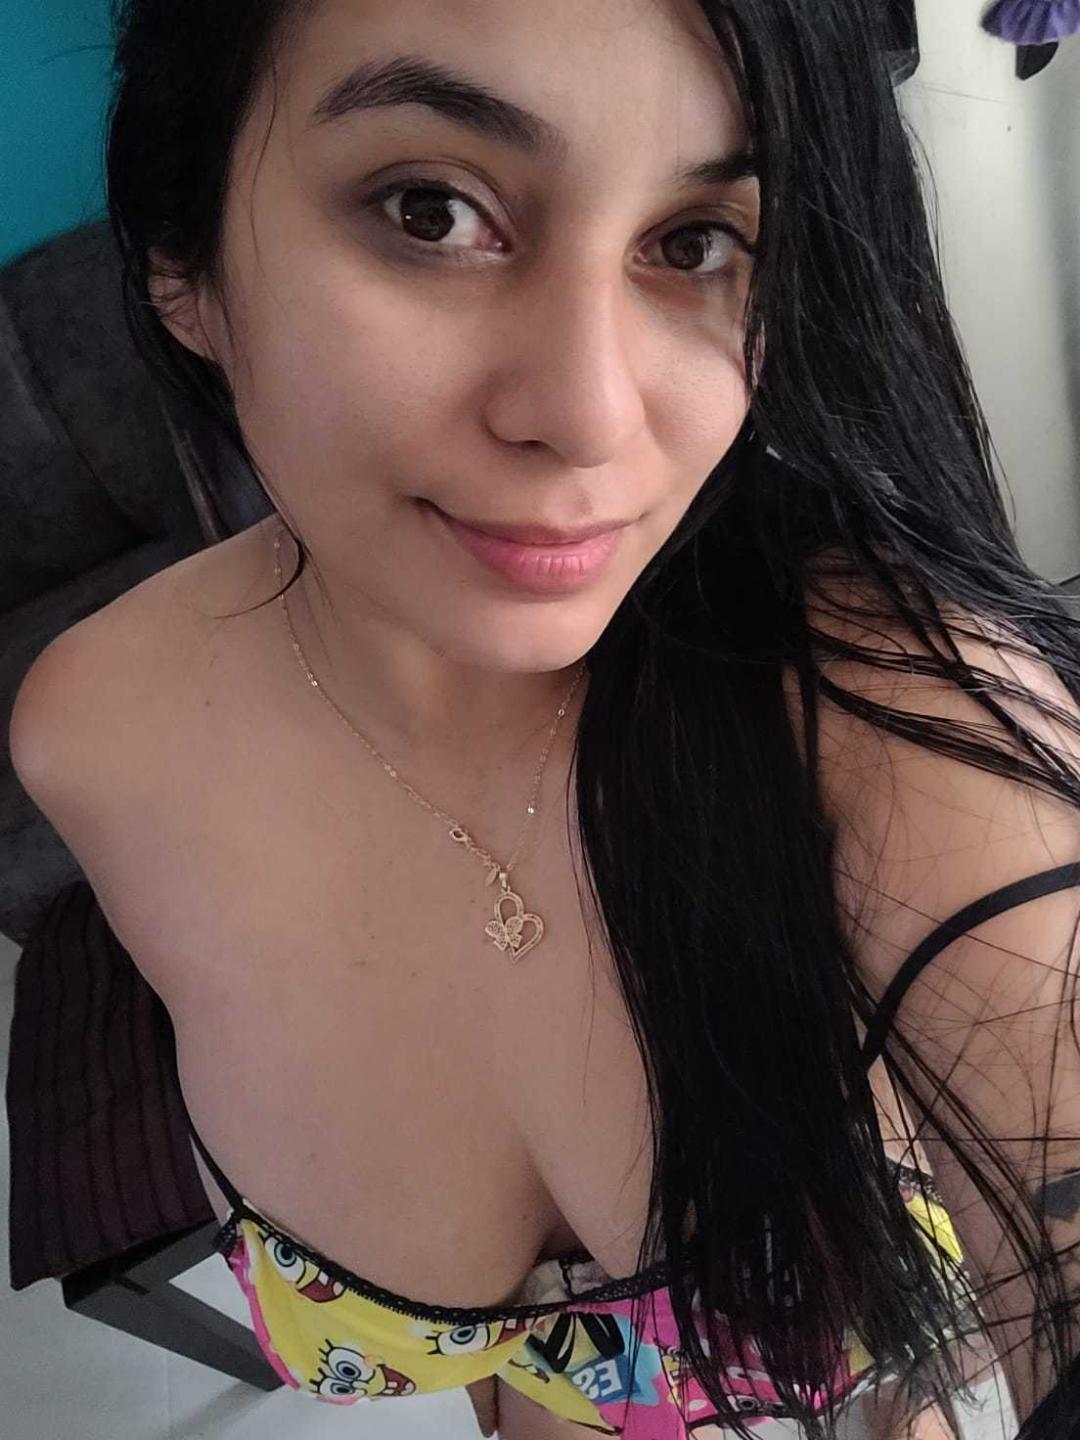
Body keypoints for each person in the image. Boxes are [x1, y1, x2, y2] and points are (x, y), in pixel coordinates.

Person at [10, 0, 1080, 1435]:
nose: (590, 416)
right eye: (431, 210)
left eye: (696, 243)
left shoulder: (898, 715)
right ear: (181, 262)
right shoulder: (95, 737)